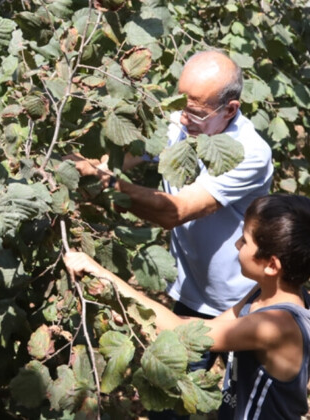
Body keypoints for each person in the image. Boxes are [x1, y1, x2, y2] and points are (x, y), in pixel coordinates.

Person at [66, 50, 273, 371]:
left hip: (242, 301)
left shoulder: (249, 153)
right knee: (174, 392)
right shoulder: (183, 122)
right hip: (191, 289)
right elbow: (116, 160)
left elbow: (176, 212)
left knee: (243, 398)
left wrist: (104, 183)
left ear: (230, 109)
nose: (182, 117)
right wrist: (71, 167)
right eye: (179, 106)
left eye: (194, 111)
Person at [64, 194, 310, 419]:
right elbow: (208, 328)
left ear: (271, 265)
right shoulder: (268, 294)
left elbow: (181, 330)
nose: (236, 243)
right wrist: (138, 317)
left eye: (245, 240)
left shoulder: (275, 325)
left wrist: (101, 272)